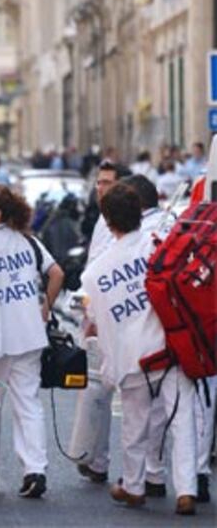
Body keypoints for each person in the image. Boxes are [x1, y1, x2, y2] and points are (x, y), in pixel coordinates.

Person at [81, 183, 197, 515]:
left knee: (135, 426)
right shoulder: (159, 245)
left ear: (107, 221)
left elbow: (94, 319)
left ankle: (134, 486)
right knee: (182, 420)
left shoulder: (94, 274)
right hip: (171, 348)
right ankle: (186, 489)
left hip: (132, 359)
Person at [0, 182, 64, 498]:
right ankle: (35, 470)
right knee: (28, 404)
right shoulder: (27, 243)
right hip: (29, 335)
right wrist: (45, 306)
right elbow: (57, 273)